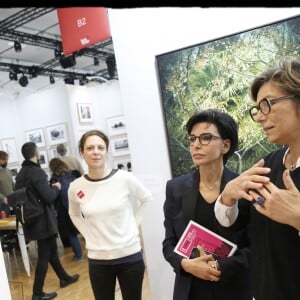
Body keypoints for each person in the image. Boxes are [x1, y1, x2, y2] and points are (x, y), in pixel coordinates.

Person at [214, 57, 300, 300]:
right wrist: (228, 196)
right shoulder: (267, 166)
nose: (260, 117)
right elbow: (235, 224)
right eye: (257, 109)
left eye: (267, 104)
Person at [162, 109, 252, 300]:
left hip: (232, 288)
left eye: (205, 138)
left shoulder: (244, 188)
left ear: (225, 145)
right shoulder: (175, 188)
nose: (196, 145)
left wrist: (219, 267)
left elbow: (254, 247)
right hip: (190, 289)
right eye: (192, 139)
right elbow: (169, 243)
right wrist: (185, 265)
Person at [68, 129, 153, 300]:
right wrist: (88, 234)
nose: (96, 152)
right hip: (98, 259)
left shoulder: (124, 178)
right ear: (82, 152)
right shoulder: (76, 187)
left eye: (100, 147)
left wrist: (133, 225)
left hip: (129, 256)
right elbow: (74, 214)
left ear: (106, 151)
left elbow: (147, 199)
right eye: (90, 148)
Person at [15, 142, 79, 300]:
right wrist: (56, 187)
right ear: (36, 153)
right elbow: (49, 196)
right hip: (42, 220)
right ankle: (37, 293)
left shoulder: (21, 173)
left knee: (51, 253)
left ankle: (64, 278)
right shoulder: (36, 172)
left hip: (33, 219)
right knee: (44, 255)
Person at [49, 157, 83, 261]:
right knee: (86, 231)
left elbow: (53, 197)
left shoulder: (54, 180)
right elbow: (80, 192)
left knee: (71, 234)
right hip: (78, 206)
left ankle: (78, 256)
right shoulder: (72, 176)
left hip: (64, 210)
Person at [0, 150, 15, 216]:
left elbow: (13, 185)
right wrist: (3, 198)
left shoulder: (8, 171)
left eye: (6, 159)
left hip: (12, 202)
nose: (6, 161)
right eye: (3, 159)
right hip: (2, 204)